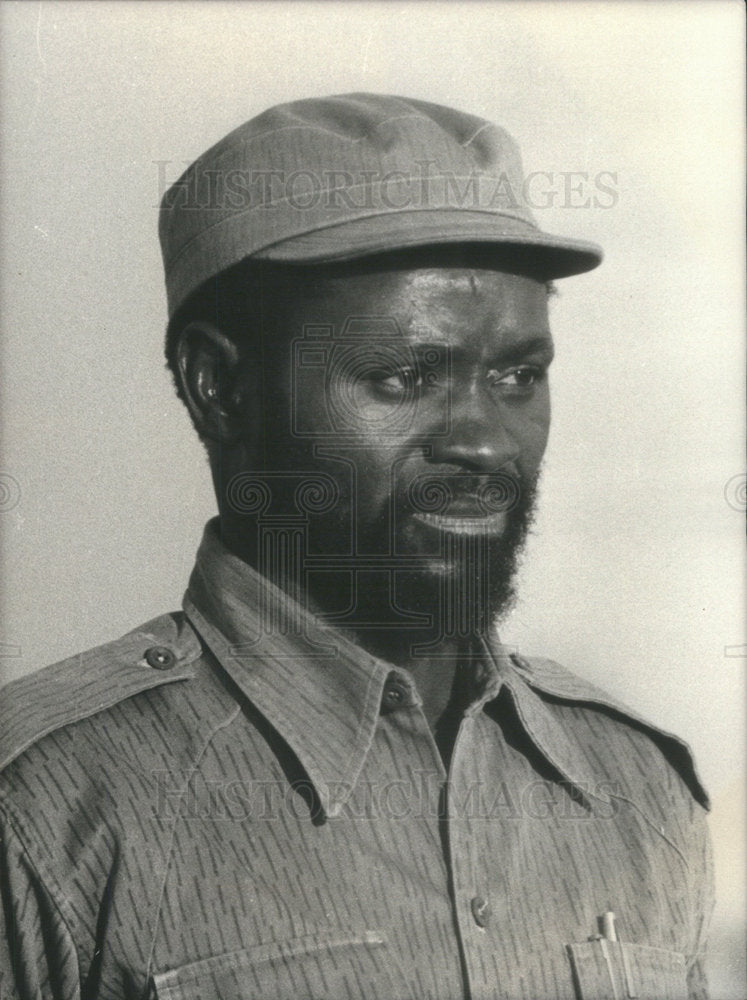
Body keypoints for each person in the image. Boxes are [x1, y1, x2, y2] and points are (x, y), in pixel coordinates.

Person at [0, 94, 713, 1000]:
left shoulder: (637, 789)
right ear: (217, 386)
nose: (488, 442)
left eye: (516, 376)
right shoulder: (41, 806)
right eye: (404, 376)